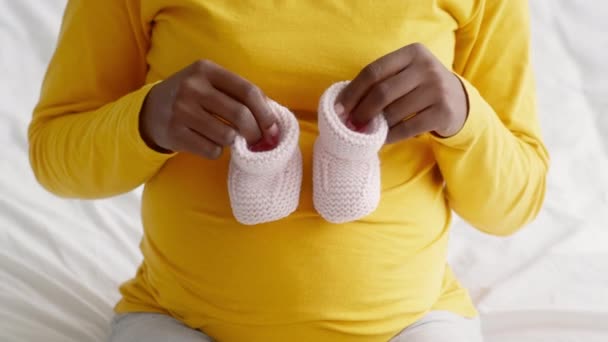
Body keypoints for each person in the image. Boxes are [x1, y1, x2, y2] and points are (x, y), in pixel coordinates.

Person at [28, 0, 549, 341]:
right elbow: (56, 159)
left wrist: (463, 115)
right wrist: (143, 119)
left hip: (412, 326)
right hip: (179, 324)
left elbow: (514, 204)